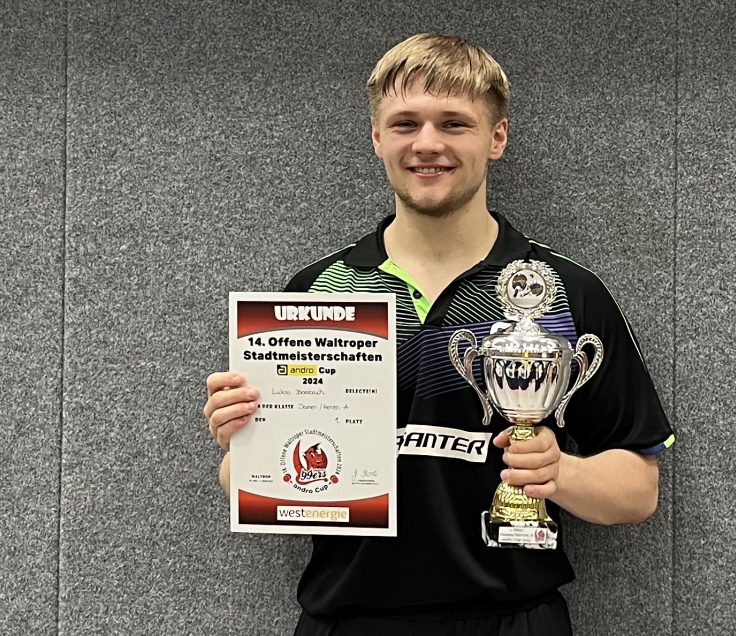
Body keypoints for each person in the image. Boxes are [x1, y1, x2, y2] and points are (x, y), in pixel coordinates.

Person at [203, 33, 675, 636]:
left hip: (513, 622)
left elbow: (639, 490)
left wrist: (560, 472)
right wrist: (242, 443)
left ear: (497, 138)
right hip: (350, 622)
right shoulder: (319, 291)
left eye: (454, 123)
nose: (428, 143)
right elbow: (254, 486)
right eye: (405, 123)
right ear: (377, 138)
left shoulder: (561, 290)